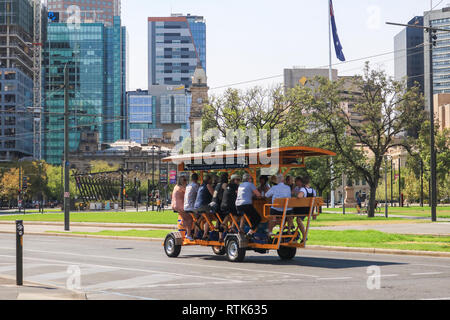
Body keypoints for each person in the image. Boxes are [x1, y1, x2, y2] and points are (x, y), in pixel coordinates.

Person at [235, 173, 262, 237]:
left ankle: (245, 230)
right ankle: (250, 232)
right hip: (246, 205)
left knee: (250, 217)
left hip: (238, 205)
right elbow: (258, 194)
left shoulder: (240, 185)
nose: (251, 180)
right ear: (248, 179)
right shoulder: (250, 184)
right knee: (258, 218)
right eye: (250, 178)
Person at [295, 176, 317, 243]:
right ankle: (303, 235)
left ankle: (304, 235)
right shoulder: (313, 190)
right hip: (309, 209)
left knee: (296, 219)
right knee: (298, 219)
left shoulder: (303, 190)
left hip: (302, 209)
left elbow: (299, 196)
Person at [172, 176, 194, 240]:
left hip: (175, 205)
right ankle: (188, 234)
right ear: (181, 181)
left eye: (186, 180)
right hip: (180, 206)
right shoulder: (181, 188)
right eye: (184, 180)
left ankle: (183, 225)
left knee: (185, 218)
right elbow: (189, 194)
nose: (185, 181)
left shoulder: (176, 186)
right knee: (190, 219)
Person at [194, 175, 215, 240]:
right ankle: (205, 234)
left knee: (204, 215)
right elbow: (214, 195)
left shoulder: (201, 186)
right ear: (209, 180)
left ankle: (196, 233)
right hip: (203, 206)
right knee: (209, 218)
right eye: (211, 180)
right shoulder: (208, 185)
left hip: (196, 206)